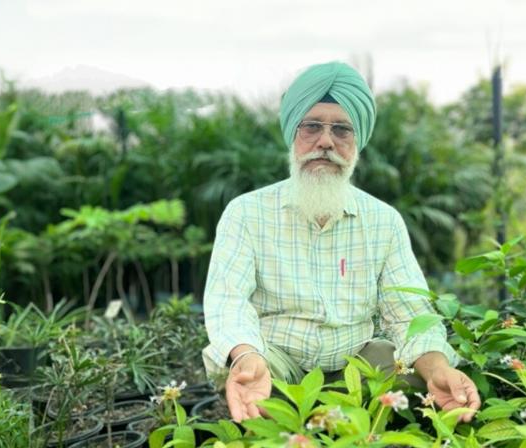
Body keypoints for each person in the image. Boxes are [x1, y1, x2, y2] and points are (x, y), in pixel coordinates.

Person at [202, 61, 480, 423]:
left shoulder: (384, 221)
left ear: (357, 142)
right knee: (257, 385)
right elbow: (228, 301)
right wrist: (245, 355)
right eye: (312, 126)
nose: (326, 141)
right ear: (293, 135)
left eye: (342, 131)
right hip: (276, 360)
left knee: (413, 372)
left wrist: (437, 366)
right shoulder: (246, 213)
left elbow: (410, 313)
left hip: (355, 361)